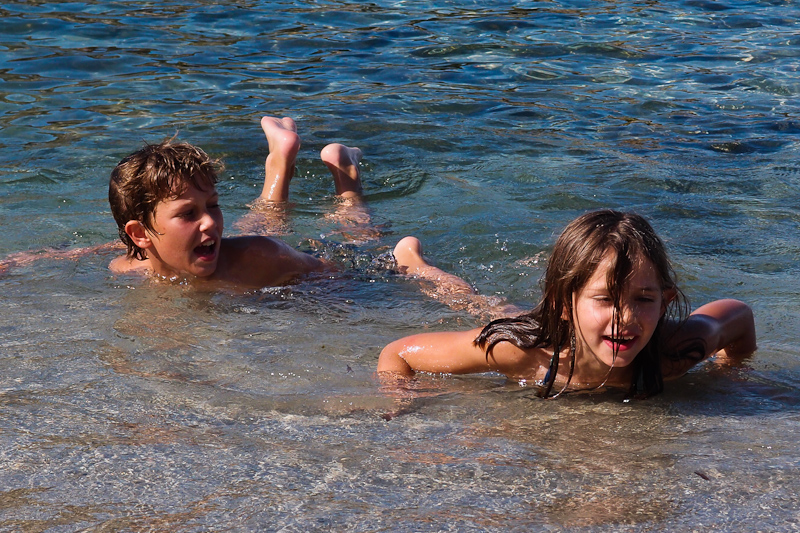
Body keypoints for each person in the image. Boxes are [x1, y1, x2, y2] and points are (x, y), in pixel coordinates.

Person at [378, 210, 757, 399]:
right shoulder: (521, 354)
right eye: (606, 299)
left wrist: (731, 373)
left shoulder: (674, 353)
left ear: (665, 302)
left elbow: (738, 315)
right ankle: (415, 263)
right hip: (541, 331)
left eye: (643, 299)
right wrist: (403, 405)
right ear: (563, 302)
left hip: (567, 323)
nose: (625, 319)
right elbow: (399, 354)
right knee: (480, 305)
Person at [108, 116, 391, 288]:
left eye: (213, 205)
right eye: (188, 213)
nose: (210, 220)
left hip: (279, 256)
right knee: (265, 221)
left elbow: (342, 273)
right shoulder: (126, 268)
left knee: (360, 235)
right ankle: (280, 159)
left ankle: (347, 173)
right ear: (141, 235)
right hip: (244, 250)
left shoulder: (259, 257)